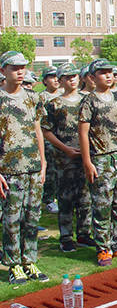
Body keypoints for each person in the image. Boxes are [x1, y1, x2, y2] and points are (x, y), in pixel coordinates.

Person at [0, 51, 49, 284]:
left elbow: (37, 129)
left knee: (32, 217)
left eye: (22, 67)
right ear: (3, 71)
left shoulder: (32, 97)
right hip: (9, 169)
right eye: (14, 68)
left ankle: (30, 261)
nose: (20, 71)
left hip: (33, 167)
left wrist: (43, 161)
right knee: (12, 219)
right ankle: (14, 264)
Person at [79, 58, 117, 266]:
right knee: (102, 205)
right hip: (100, 158)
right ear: (92, 77)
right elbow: (83, 133)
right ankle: (103, 248)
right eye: (103, 72)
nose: (108, 76)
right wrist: (87, 161)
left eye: (110, 72)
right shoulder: (89, 101)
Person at [41, 63, 94, 253]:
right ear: (60, 80)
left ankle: (84, 233)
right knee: (65, 198)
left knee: (85, 197)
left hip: (86, 155)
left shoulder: (88, 100)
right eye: (67, 77)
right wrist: (65, 149)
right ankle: (66, 237)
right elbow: (46, 131)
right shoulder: (54, 104)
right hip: (64, 158)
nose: (71, 80)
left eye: (74, 76)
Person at [40, 66, 61, 215]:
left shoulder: (63, 94)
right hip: (48, 138)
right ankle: (49, 199)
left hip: (63, 138)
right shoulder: (41, 97)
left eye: (57, 76)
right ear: (45, 80)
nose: (55, 79)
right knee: (51, 171)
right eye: (51, 77)